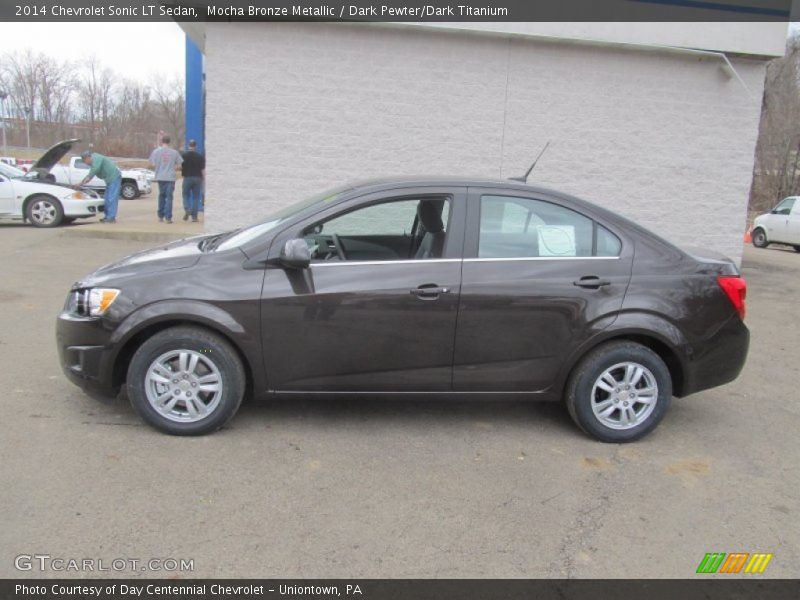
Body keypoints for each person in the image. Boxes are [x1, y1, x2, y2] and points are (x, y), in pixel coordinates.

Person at [78, 150, 121, 224]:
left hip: (114, 178)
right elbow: (91, 173)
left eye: (84, 161)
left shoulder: (96, 158)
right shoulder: (94, 161)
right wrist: (81, 182)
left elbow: (94, 171)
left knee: (111, 198)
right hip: (109, 180)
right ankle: (108, 217)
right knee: (107, 198)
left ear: (88, 157)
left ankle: (111, 218)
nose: (86, 163)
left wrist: (82, 182)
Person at [148, 135, 183, 223]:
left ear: (162, 142)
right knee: (169, 197)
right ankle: (168, 217)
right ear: (169, 142)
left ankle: (160, 215)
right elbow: (180, 164)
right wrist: (173, 166)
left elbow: (152, 164)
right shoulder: (174, 152)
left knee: (161, 195)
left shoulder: (156, 152)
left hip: (160, 176)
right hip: (170, 177)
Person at [181, 139, 205, 222]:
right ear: (195, 146)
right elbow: (202, 169)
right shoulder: (200, 156)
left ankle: (187, 209)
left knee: (185, 195)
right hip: (197, 178)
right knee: (196, 197)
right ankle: (194, 217)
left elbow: (180, 166)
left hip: (187, 177)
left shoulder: (183, 155)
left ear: (189, 145)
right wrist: (203, 178)